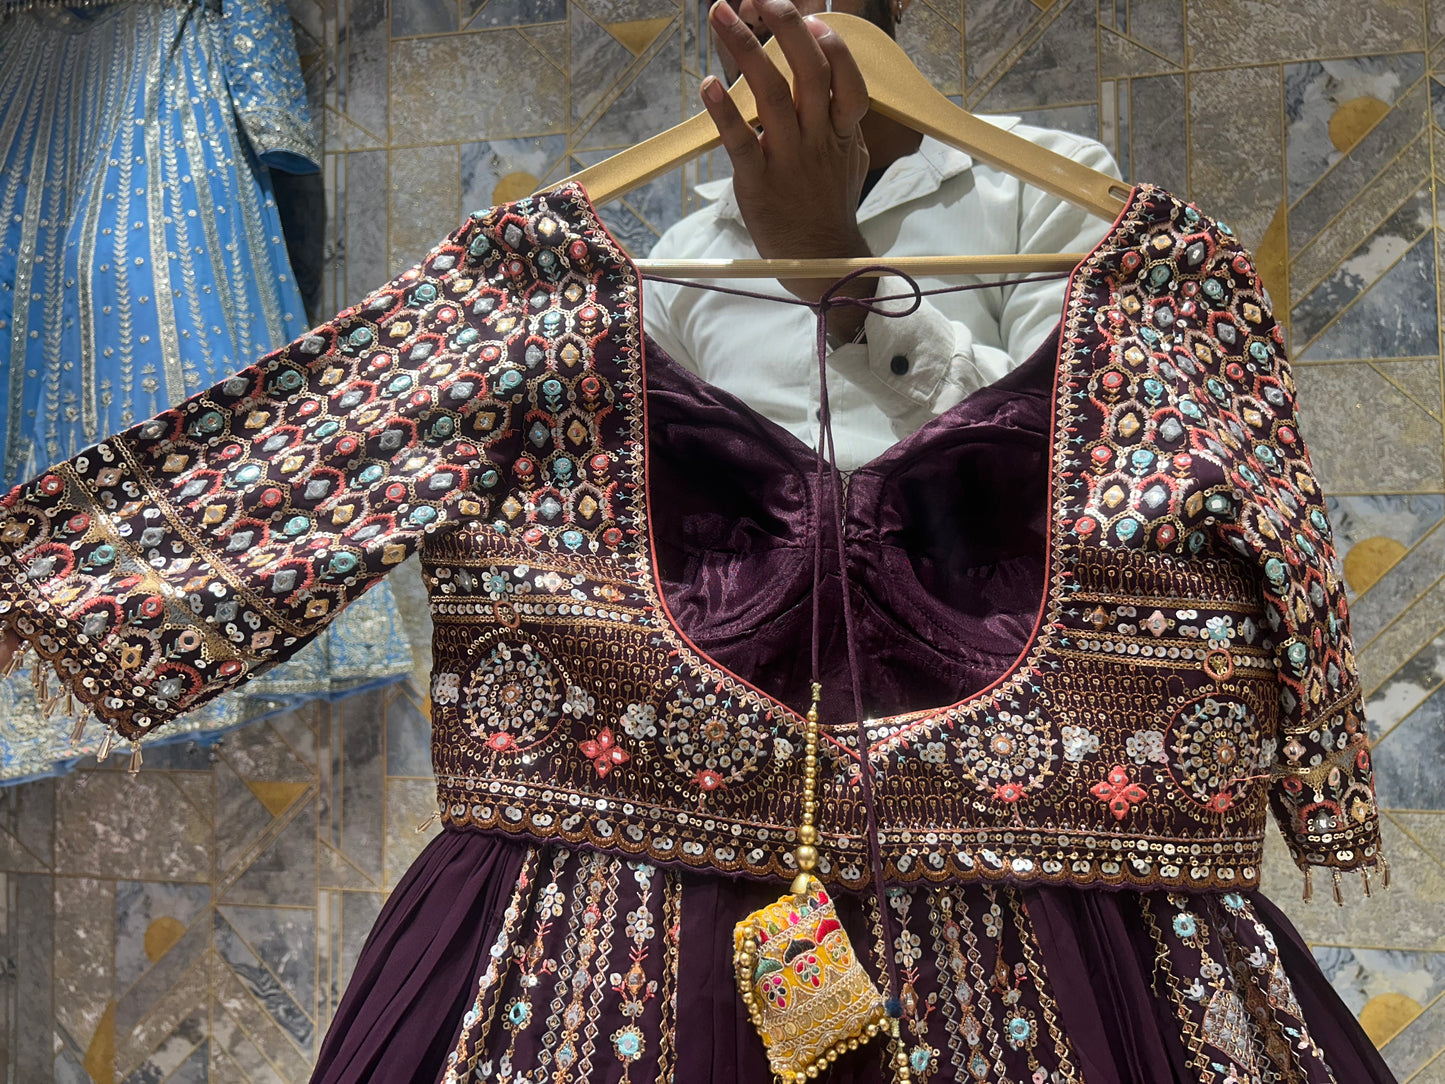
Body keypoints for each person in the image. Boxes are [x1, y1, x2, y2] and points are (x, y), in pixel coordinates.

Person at [0, 3, 1398, 1082]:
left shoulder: (1076, 219)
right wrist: (74, 576)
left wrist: (841, 274)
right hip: (629, 903)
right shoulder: (641, 276)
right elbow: (312, 458)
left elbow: (1059, 478)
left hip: (1055, 896)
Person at [643, 0, 1123, 470]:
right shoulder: (676, 260)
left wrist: (845, 275)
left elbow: (1084, 454)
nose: (752, 8)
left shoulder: (1052, 187)